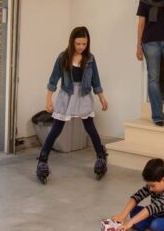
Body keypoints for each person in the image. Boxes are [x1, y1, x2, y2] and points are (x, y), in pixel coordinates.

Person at [36, 26, 109, 184]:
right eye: (78, 44)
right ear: (72, 42)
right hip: (67, 96)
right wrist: (48, 99)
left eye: (84, 44)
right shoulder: (63, 57)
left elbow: (96, 80)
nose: (81, 47)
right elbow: (53, 79)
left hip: (83, 96)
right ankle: (42, 160)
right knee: (56, 128)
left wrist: (102, 97)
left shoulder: (90, 58)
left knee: (89, 127)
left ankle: (101, 156)